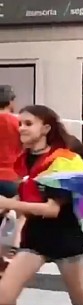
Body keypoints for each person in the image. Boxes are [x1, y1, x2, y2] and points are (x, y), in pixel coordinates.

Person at [0, 105, 83, 305]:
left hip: (64, 239)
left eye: (28, 124)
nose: (21, 128)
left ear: (46, 129)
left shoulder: (61, 161)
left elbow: (52, 209)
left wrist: (8, 203)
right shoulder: (25, 158)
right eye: (20, 124)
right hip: (34, 238)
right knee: (4, 298)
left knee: (81, 300)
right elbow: (28, 193)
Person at [0, 87, 22, 271]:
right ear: (10, 102)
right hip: (10, 176)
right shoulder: (17, 123)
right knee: (25, 210)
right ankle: (14, 248)